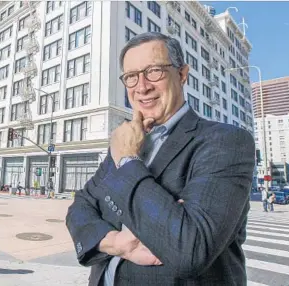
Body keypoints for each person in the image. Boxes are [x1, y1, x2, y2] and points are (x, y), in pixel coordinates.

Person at [65, 32, 255, 286]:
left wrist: (129, 161)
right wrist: (119, 244)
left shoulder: (225, 141)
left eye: (154, 71)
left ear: (182, 74)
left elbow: (191, 246)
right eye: (131, 77)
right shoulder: (128, 141)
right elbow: (79, 208)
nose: (142, 86)